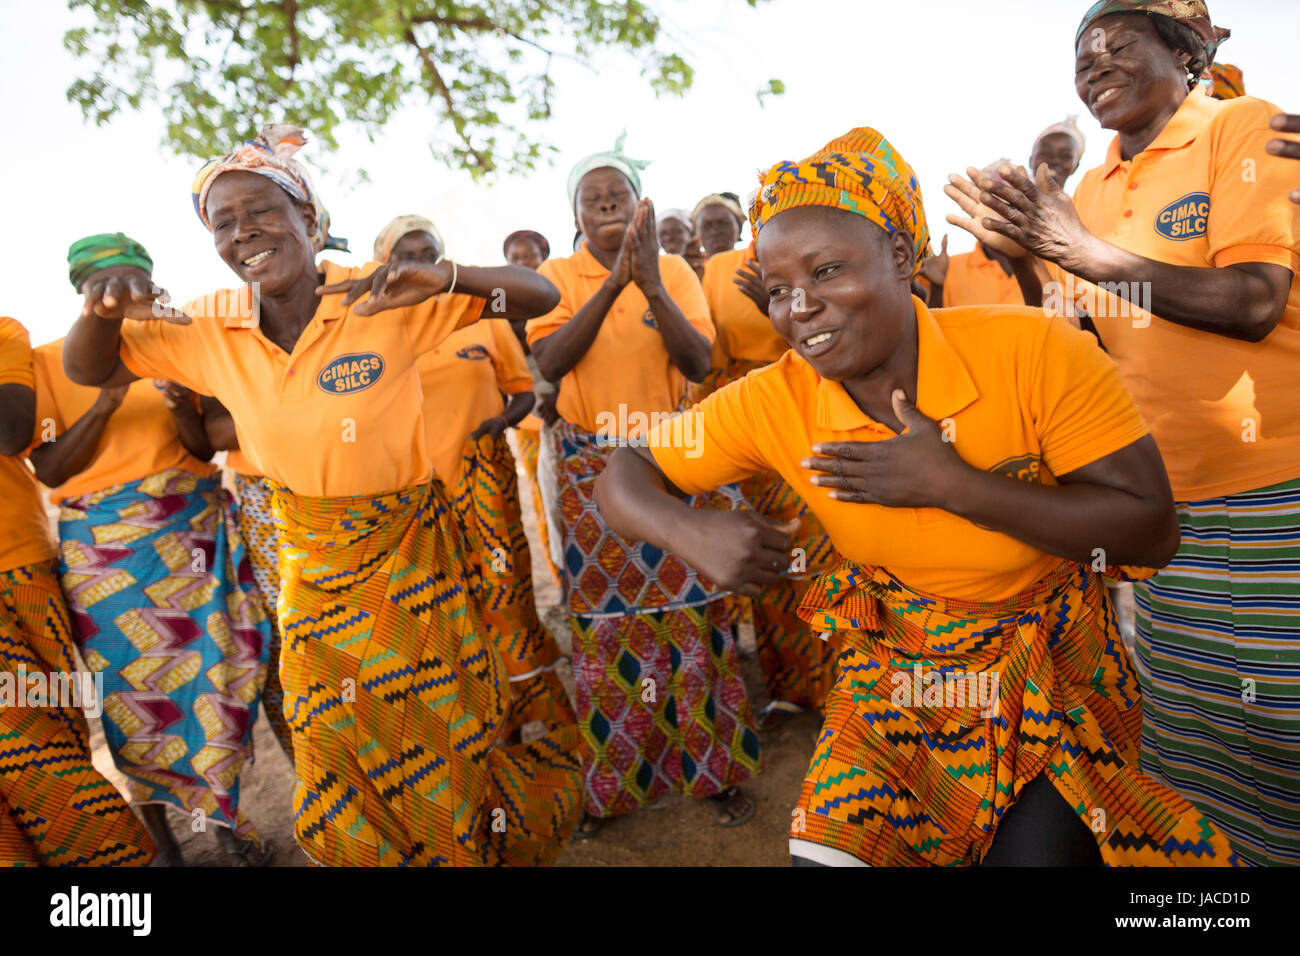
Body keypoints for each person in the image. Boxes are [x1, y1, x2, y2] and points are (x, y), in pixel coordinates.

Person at [594, 125, 1240, 867]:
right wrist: (686, 529)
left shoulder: (1033, 350)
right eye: (777, 291)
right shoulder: (775, 399)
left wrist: (955, 485)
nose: (799, 307)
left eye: (828, 270)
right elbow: (624, 472)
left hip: (1049, 669)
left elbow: (1150, 531)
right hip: (897, 672)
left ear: (902, 257)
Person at [60, 125, 581, 867]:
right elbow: (91, 371)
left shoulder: (377, 295)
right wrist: (101, 309)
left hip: (411, 558)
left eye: (262, 211)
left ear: (310, 218)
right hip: (311, 569)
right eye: (223, 223)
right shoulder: (212, 324)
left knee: (443, 725)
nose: (244, 233)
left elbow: (538, 293)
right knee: (333, 738)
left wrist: (448, 277)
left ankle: (461, 849)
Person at [946, 0, 1300, 866]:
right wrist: (1031, 262)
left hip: (1275, 489)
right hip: (1168, 506)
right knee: (1202, 733)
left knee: (1286, 720)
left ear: (1184, 54)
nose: (1094, 61)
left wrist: (1078, 249)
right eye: (1081, 53)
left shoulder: (1237, 128)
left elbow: (1256, 300)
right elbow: (1086, 336)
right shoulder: (1096, 187)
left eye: (1117, 43)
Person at [529, 133, 761, 837]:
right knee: (607, 628)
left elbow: (697, 362)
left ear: (638, 205)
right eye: (591, 196)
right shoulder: (557, 275)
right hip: (589, 466)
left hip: (671, 457)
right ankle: (622, 781)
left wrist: (652, 281)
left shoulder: (675, 272)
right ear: (575, 210)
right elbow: (550, 358)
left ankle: (715, 772)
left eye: (617, 194)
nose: (605, 202)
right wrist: (612, 283)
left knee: (696, 615)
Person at [30, 233, 274, 866]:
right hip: (107, 559)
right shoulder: (48, 361)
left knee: (213, 683)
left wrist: (182, 406)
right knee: (133, 701)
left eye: (131, 280)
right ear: (82, 292)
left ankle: (222, 824)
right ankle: (163, 847)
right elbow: (52, 470)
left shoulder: (176, 345)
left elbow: (201, 448)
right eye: (103, 285)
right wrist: (109, 400)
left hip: (189, 532)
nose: (120, 294)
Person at [378, 218, 581, 746]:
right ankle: (489, 727)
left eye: (430, 251)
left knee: (508, 597)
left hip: (486, 484)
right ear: (386, 262)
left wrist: (502, 422)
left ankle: (537, 718)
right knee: (449, 610)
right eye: (407, 253)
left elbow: (520, 392)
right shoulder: (376, 326)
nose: (419, 261)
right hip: (417, 496)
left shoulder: (474, 312)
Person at [0, 313, 155, 867]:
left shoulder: (3, 334)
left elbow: (12, 432)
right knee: (26, 742)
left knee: (51, 733)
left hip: (16, 566)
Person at [696, 214, 839, 723]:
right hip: (745, 412)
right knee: (768, 552)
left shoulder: (795, 255)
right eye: (705, 221)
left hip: (803, 400)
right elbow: (709, 351)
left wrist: (772, 305)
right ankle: (789, 688)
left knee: (817, 553)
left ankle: (837, 691)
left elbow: (828, 335)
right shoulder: (716, 269)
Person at [501, 229, 564, 588]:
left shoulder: (558, 293)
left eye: (529, 256)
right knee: (542, 500)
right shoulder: (500, 302)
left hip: (564, 411)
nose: (522, 263)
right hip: (528, 419)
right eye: (515, 257)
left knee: (565, 496)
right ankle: (559, 581)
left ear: (543, 258)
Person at [692, 192, 746, 259]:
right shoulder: (686, 268)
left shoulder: (756, 264)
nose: (715, 232)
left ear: (739, 227)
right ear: (696, 232)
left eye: (724, 224)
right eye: (706, 226)